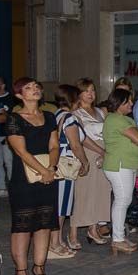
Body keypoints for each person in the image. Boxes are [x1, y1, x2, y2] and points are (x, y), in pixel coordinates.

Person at [4, 78, 61, 275]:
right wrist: (43, 170)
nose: (34, 90)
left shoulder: (49, 116)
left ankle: (39, 267)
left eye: (37, 86)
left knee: (44, 223)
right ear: (19, 95)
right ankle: (21, 270)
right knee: (23, 226)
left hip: (48, 174)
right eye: (28, 88)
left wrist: (52, 169)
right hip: (24, 178)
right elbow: (21, 150)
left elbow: (54, 145)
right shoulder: (14, 119)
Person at [101, 87, 138, 253]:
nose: (132, 104)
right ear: (119, 103)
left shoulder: (125, 119)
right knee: (122, 200)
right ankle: (117, 239)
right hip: (119, 165)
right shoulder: (116, 119)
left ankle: (119, 236)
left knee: (124, 200)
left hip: (128, 164)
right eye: (128, 101)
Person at [71, 79, 113, 245]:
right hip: (88, 151)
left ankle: (93, 227)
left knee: (100, 191)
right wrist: (100, 151)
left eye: (93, 90)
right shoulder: (76, 113)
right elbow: (81, 137)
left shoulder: (100, 112)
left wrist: (106, 151)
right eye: (86, 91)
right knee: (83, 192)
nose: (90, 94)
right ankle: (73, 233)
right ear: (79, 94)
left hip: (103, 153)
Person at [50, 85, 89, 259]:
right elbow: (75, 144)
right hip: (67, 164)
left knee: (58, 205)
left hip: (57, 162)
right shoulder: (69, 119)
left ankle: (56, 241)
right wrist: (85, 161)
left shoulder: (56, 114)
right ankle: (54, 243)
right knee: (62, 206)